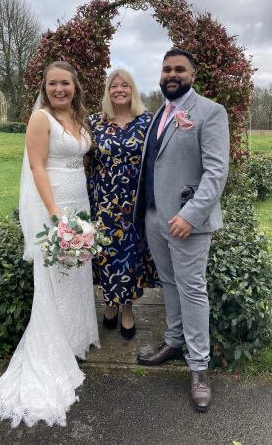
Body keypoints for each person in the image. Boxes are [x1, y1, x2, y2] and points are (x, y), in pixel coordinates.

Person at [0, 61, 99, 427]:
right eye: (53, 83)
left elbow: (80, 158)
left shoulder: (79, 117)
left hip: (79, 201)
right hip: (55, 204)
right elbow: (37, 166)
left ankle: (74, 339)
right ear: (45, 87)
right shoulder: (41, 118)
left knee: (76, 272)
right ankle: (54, 347)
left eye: (65, 83)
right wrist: (54, 213)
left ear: (75, 86)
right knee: (54, 277)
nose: (59, 89)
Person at [135, 48, 229, 412]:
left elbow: (216, 171)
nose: (171, 74)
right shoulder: (160, 112)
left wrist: (190, 216)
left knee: (192, 290)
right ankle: (174, 341)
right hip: (155, 218)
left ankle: (199, 367)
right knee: (170, 283)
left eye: (179, 69)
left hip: (187, 223)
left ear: (192, 75)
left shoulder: (210, 111)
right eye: (166, 69)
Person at [88, 69, 157, 340]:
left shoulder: (147, 121)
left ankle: (127, 309)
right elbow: (84, 159)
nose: (119, 90)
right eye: (113, 86)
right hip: (103, 201)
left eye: (125, 85)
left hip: (134, 202)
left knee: (130, 257)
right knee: (105, 254)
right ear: (107, 91)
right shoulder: (94, 122)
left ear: (133, 90)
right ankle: (109, 303)